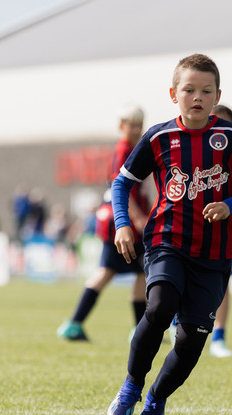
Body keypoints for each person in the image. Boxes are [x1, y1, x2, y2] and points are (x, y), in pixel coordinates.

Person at [106, 54, 232, 415]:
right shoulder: (158, 137)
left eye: (206, 91)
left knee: (191, 341)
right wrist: (122, 223)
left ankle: (156, 398)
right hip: (167, 241)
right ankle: (131, 386)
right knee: (160, 307)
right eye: (189, 90)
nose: (197, 97)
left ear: (217, 96)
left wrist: (229, 205)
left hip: (215, 254)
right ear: (173, 94)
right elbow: (122, 183)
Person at [57, 105, 149, 341]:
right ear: (121, 127)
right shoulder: (124, 150)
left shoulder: (130, 149)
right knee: (129, 271)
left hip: (116, 219)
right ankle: (77, 324)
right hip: (122, 222)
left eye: (139, 125)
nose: (136, 130)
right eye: (132, 125)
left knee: (125, 272)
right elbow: (121, 187)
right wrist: (138, 217)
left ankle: (76, 324)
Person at [209, 104, 232, 358]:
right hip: (191, 230)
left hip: (224, 232)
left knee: (222, 284)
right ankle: (175, 324)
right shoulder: (192, 150)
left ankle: (219, 336)